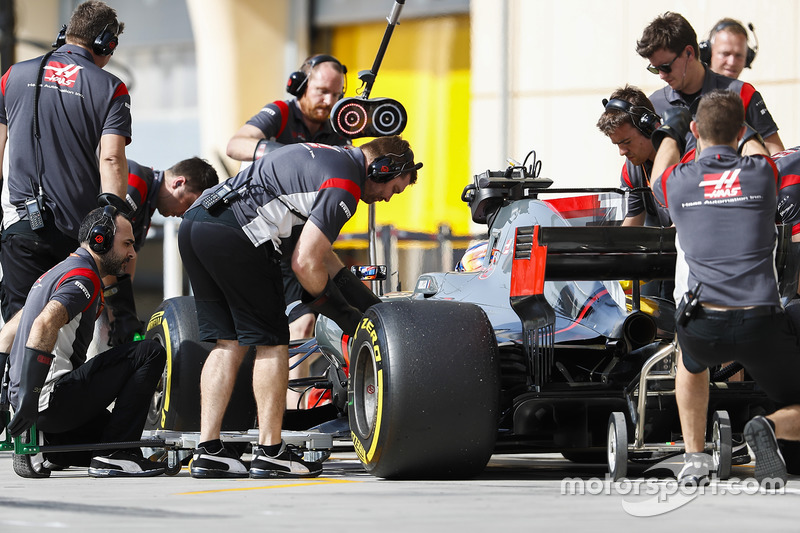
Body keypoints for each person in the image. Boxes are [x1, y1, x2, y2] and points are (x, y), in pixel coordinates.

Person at [179, 135, 421, 479]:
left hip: (196, 223)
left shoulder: (326, 158)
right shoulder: (346, 183)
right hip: (239, 233)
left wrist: (371, 306)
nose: (384, 198)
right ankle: (270, 452)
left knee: (227, 343)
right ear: (383, 169)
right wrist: (344, 315)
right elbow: (305, 263)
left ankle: (209, 451)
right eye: (393, 189)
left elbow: (325, 257)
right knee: (272, 342)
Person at [649, 89, 800, 487]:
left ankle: (695, 458)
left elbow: (655, 175)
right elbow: (762, 152)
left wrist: (674, 128)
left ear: (696, 130)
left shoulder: (678, 183)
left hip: (703, 326)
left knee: (690, 362)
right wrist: (744, 124)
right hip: (760, 324)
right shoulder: (761, 174)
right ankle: (768, 426)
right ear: (739, 131)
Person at [226, 54, 351, 408]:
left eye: (336, 94)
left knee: (308, 325)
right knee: (279, 330)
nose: (329, 101)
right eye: (322, 91)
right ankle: (279, 415)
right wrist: (293, 155)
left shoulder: (338, 126)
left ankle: (297, 411)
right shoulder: (280, 112)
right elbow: (236, 144)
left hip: (304, 240)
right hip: (263, 237)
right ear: (300, 85)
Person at [4, 207, 167, 477]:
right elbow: (45, 323)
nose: (132, 254)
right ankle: (116, 454)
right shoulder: (84, 277)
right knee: (148, 351)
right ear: (99, 240)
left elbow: (6, 335)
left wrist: (8, 405)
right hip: (47, 403)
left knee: (110, 431)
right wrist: (30, 398)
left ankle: (49, 447)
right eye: (127, 244)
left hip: (36, 410)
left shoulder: (55, 273)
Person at [0, 1, 132, 324]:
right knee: (67, 329)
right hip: (76, 236)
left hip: (19, 227)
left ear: (65, 34)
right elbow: (112, 158)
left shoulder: (12, 76)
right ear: (106, 43)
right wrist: (110, 216)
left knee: (19, 326)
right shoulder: (112, 88)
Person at [101, 157, 219, 347]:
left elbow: (128, 258)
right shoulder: (135, 180)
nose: (184, 214)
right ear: (178, 183)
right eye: (189, 204)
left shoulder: (147, 206)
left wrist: (125, 311)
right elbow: (104, 244)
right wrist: (119, 307)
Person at [635, 11, 784, 155]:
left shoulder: (742, 92)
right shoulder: (653, 105)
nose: (661, 75)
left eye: (666, 67)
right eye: (655, 69)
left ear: (689, 52)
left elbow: (776, 154)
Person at [596, 85, 669, 228]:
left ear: (650, 128)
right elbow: (632, 225)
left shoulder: (687, 160)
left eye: (627, 142)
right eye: (617, 144)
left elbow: (688, 223)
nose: (622, 152)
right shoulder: (631, 170)